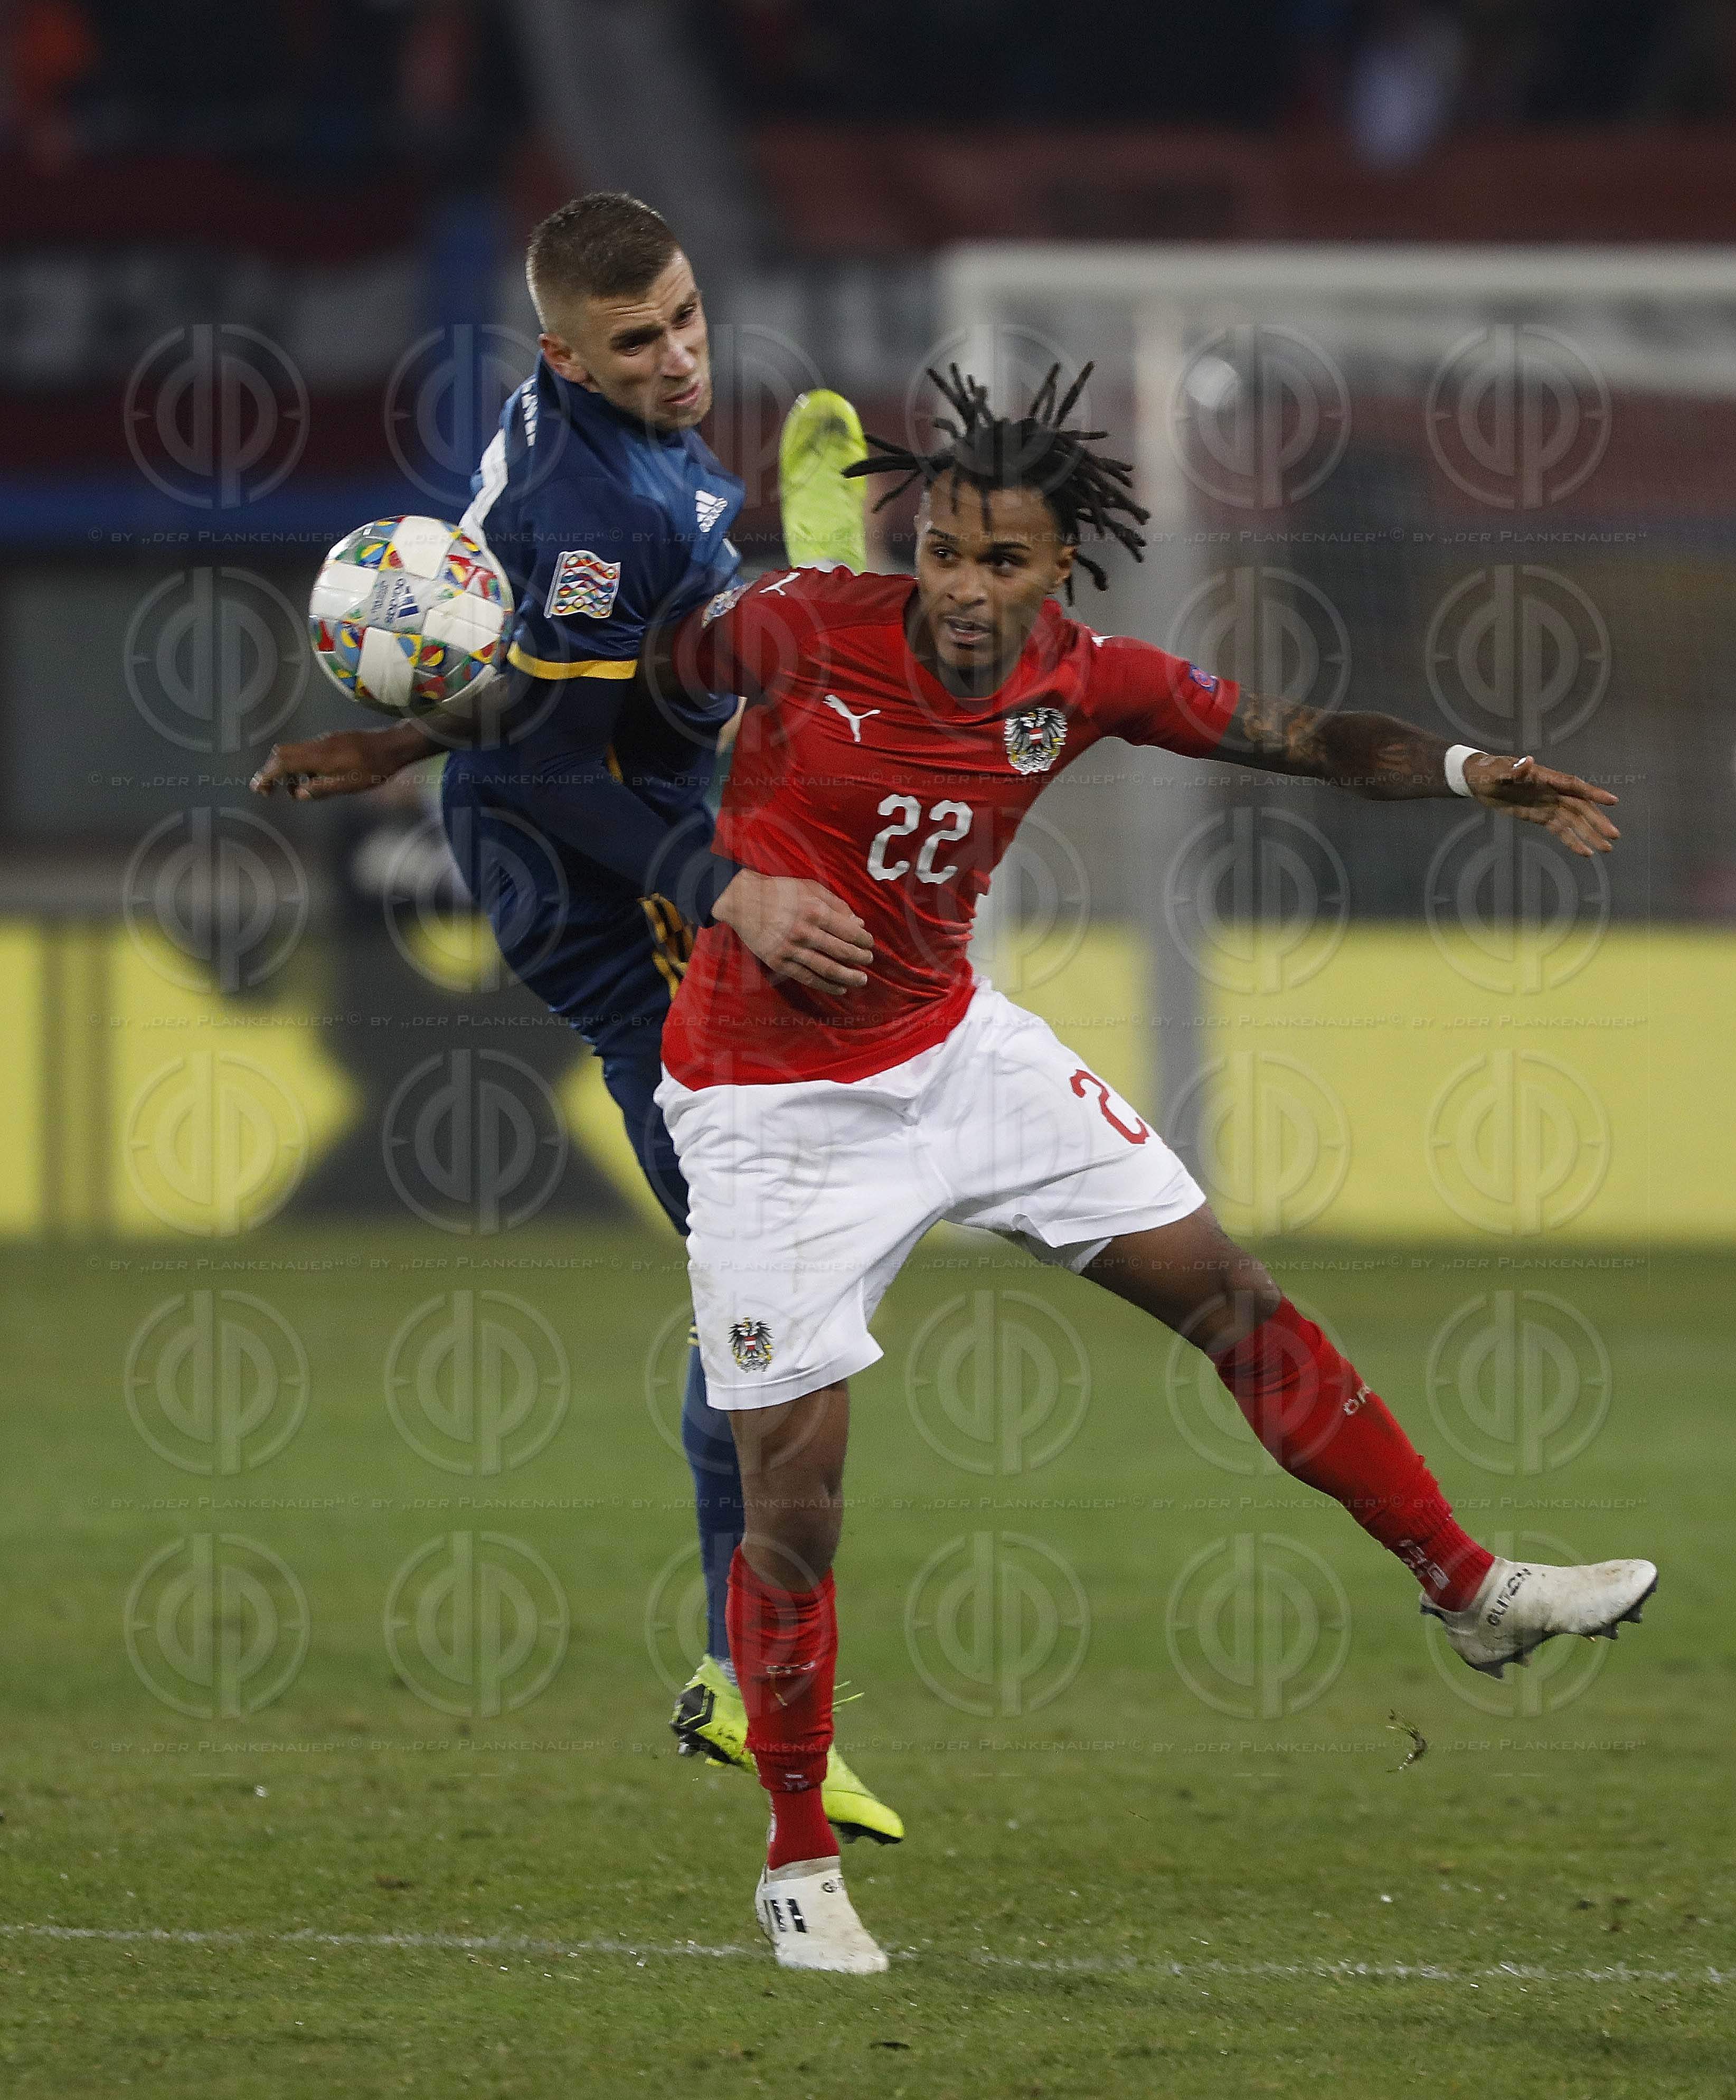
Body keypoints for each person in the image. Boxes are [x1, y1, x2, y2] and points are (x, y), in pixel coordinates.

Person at [639, 364, 1658, 1974]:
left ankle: (1469, 1589)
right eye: (949, 554)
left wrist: (1472, 772)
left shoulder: (1082, 676)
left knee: (1232, 1295)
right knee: (799, 1495)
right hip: (766, 1108)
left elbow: (1309, 739)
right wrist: (713, 876)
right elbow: (621, 702)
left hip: (957, 1055)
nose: (969, 591)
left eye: (1006, 563)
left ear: (1060, 570)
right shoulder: (796, 625)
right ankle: (795, 1855)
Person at [251, 191, 902, 1845]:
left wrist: (387, 745)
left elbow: (541, 681)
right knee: (759, 1265)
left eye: (687, 317)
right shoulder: (578, 496)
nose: (681, 354)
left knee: (771, 1263)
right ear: (562, 352)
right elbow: (543, 758)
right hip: (581, 876)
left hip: (626, 802)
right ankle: (740, 1672)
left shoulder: (615, 451)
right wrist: (714, 882)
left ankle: (741, 1662)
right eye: (641, 340)